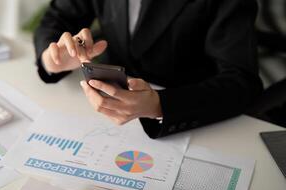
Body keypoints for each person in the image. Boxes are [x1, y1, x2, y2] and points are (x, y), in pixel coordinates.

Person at [33, 0, 263, 138]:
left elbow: (242, 82)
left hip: (193, 116)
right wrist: (52, 59)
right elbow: (58, 17)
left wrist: (160, 105)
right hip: (102, 111)